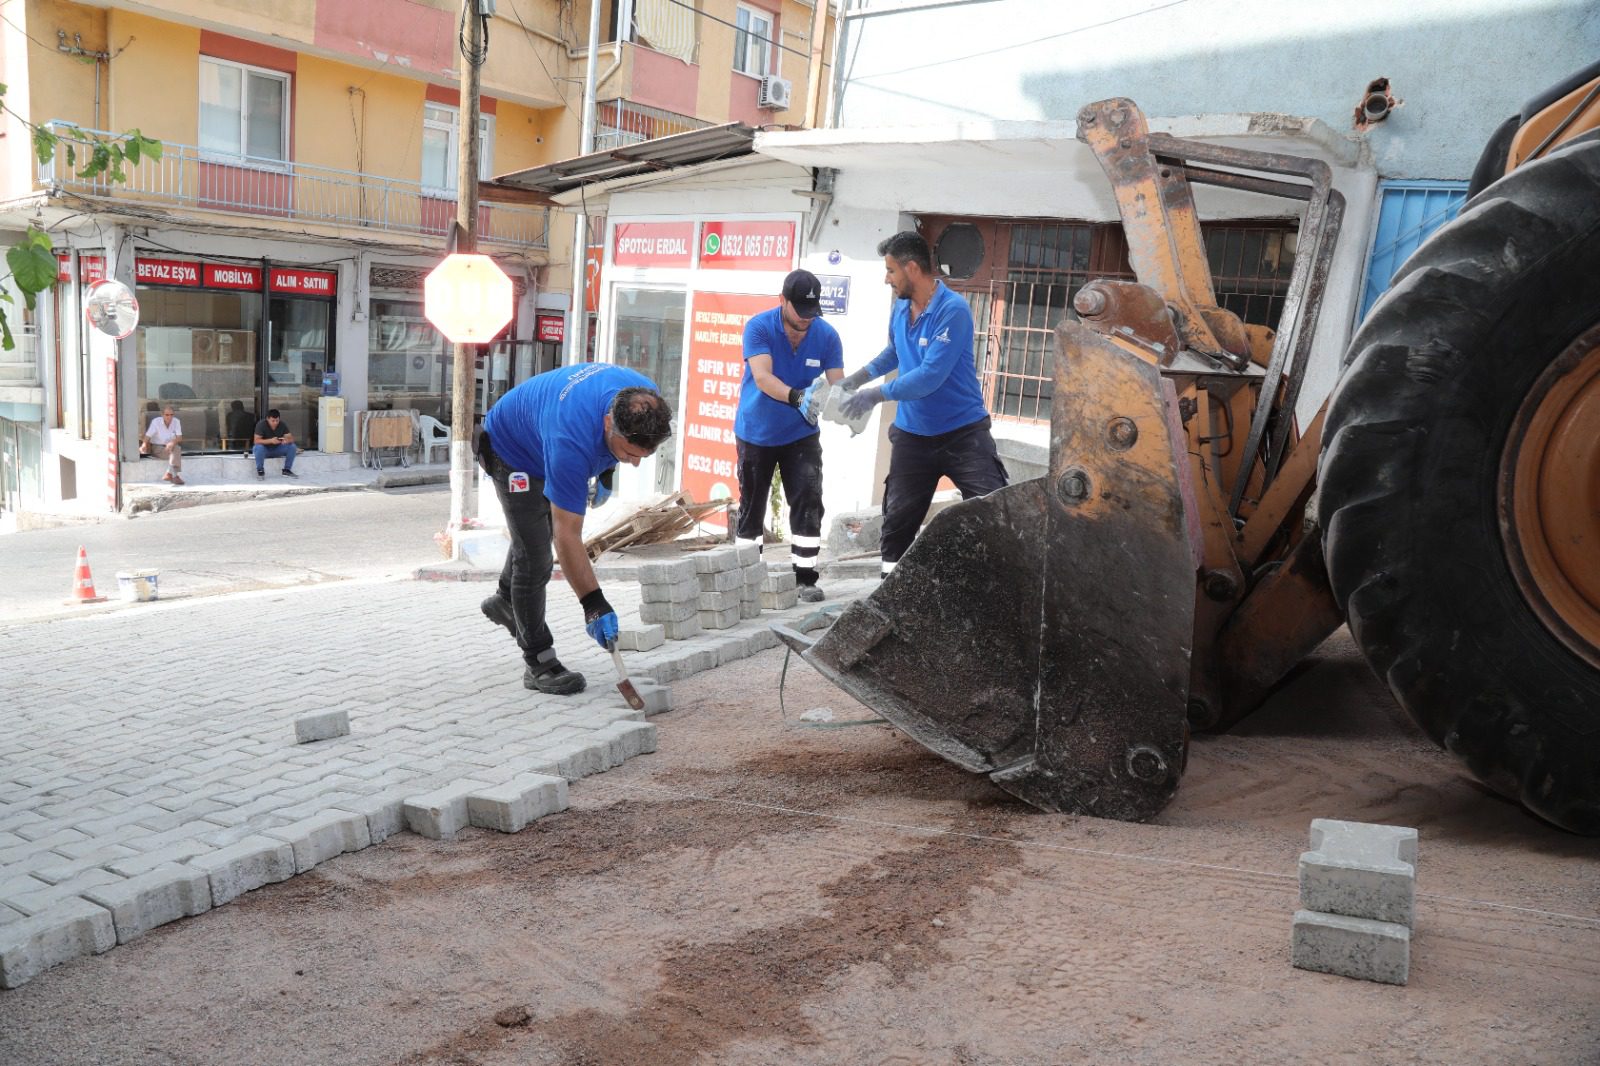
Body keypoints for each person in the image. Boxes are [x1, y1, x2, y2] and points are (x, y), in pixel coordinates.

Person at [478, 363, 673, 695]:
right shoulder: (570, 441)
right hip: (512, 451)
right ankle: (539, 662)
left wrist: (609, 467)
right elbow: (566, 536)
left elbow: (616, 445)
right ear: (609, 423)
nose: (636, 463)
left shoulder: (643, 395)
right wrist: (593, 603)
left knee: (532, 534)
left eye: (643, 456)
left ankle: (505, 601)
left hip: (543, 435)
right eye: (630, 454)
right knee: (536, 557)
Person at [839, 231, 1009, 577]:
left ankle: (997, 588)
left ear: (912, 268)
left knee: (995, 511)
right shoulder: (901, 308)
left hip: (964, 434)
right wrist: (858, 378)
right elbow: (894, 352)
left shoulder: (953, 311)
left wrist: (876, 395)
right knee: (898, 519)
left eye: (890, 270)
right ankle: (889, 592)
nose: (887, 278)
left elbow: (930, 377)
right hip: (913, 435)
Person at [735, 269, 844, 602]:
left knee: (809, 501)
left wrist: (847, 406)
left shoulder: (826, 336)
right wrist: (798, 397)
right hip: (757, 431)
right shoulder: (759, 328)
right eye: (800, 311)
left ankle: (805, 578)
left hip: (801, 433)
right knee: (752, 505)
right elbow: (763, 377)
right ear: (782, 301)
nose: (806, 320)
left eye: (812, 312)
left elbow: (837, 383)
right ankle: (746, 577)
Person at [141, 405, 185, 486]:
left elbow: (179, 437)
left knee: (176, 449)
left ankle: (169, 474)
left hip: (171, 447)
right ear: (162, 414)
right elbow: (148, 435)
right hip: (158, 448)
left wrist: (172, 442)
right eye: (167, 415)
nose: (169, 417)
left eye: (171, 415)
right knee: (176, 452)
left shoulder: (176, 421)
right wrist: (143, 444)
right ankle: (174, 475)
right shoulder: (156, 422)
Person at [252, 409, 299, 480]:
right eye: (273, 421)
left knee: (292, 446)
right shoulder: (261, 425)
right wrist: (270, 441)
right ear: (267, 419)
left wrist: (286, 440)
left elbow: (291, 439)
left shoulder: (282, 424)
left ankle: (286, 470)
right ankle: (260, 471)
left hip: (277, 449)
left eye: (277, 420)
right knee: (259, 447)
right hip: (265, 450)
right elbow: (256, 441)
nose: (275, 423)